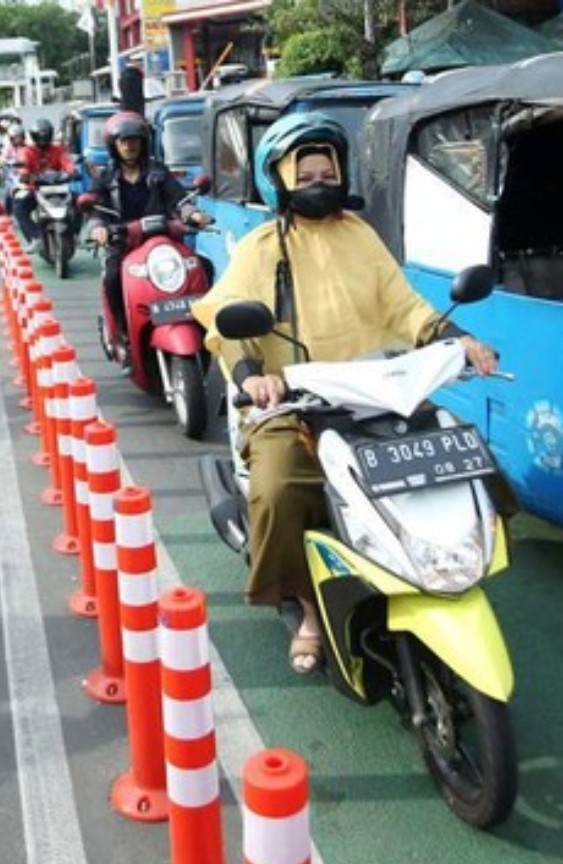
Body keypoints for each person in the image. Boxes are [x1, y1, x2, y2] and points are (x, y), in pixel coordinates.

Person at [191, 112, 500, 676]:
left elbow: (402, 306)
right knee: (282, 486)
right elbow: (225, 323)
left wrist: (455, 338)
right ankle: (307, 605)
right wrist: (252, 376)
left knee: (461, 451)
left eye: (326, 171)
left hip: (372, 391)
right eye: (304, 173)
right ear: (280, 180)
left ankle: (445, 561)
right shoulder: (263, 247)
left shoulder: (362, 236)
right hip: (292, 401)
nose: (318, 182)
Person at [88, 111, 212, 358]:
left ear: (144, 142)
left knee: (203, 267)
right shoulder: (105, 176)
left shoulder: (158, 171)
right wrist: (98, 227)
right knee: (112, 278)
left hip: (163, 239)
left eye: (134, 139)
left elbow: (179, 200)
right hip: (122, 243)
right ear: (114, 145)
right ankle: (124, 332)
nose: (129, 145)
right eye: (123, 141)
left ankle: (206, 323)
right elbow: (94, 208)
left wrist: (193, 214)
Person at [12, 119, 76, 253]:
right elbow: (23, 164)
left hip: (59, 188)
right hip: (35, 189)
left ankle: (76, 234)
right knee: (19, 205)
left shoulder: (58, 149)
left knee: (81, 200)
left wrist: (73, 171)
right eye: (40, 136)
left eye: (46, 135)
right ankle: (35, 237)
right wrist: (24, 174)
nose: (43, 139)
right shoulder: (27, 151)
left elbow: (67, 161)